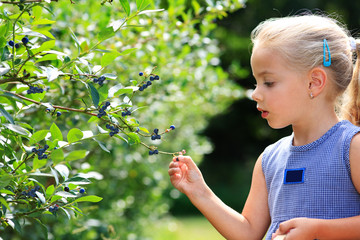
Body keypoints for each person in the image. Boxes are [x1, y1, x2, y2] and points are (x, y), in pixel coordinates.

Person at [168, 13, 360, 240]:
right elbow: (248, 233)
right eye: (256, 82)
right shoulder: (269, 159)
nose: (256, 93)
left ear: (314, 82)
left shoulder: (351, 148)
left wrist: (317, 230)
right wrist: (199, 192)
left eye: (268, 82)